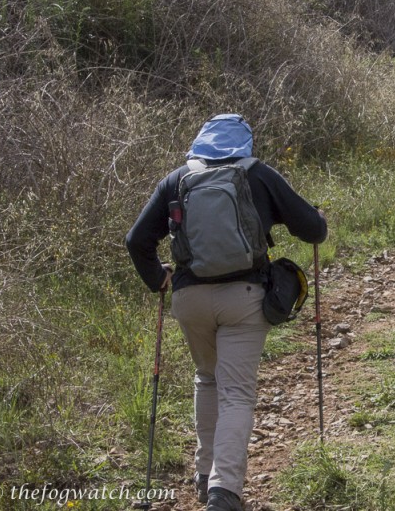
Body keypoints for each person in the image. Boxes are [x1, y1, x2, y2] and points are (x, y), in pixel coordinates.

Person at [125, 114, 327, 511]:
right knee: (236, 394)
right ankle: (223, 492)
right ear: (245, 143)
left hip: (190, 300)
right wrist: (318, 221)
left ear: (199, 142)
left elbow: (136, 241)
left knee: (207, 380)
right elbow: (312, 230)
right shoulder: (258, 174)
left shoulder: (176, 180)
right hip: (245, 298)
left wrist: (158, 279)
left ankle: (204, 477)